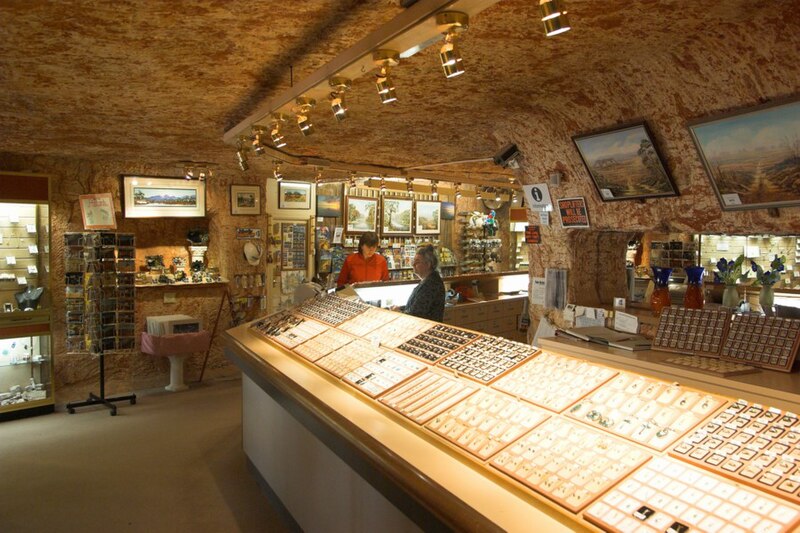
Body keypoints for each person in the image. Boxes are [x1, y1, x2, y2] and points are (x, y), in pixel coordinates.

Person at [403, 244, 445, 322]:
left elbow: (417, 314)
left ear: (428, 264)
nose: (413, 264)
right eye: (413, 261)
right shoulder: (428, 280)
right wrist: (401, 308)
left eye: (417, 262)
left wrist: (399, 313)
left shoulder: (431, 284)